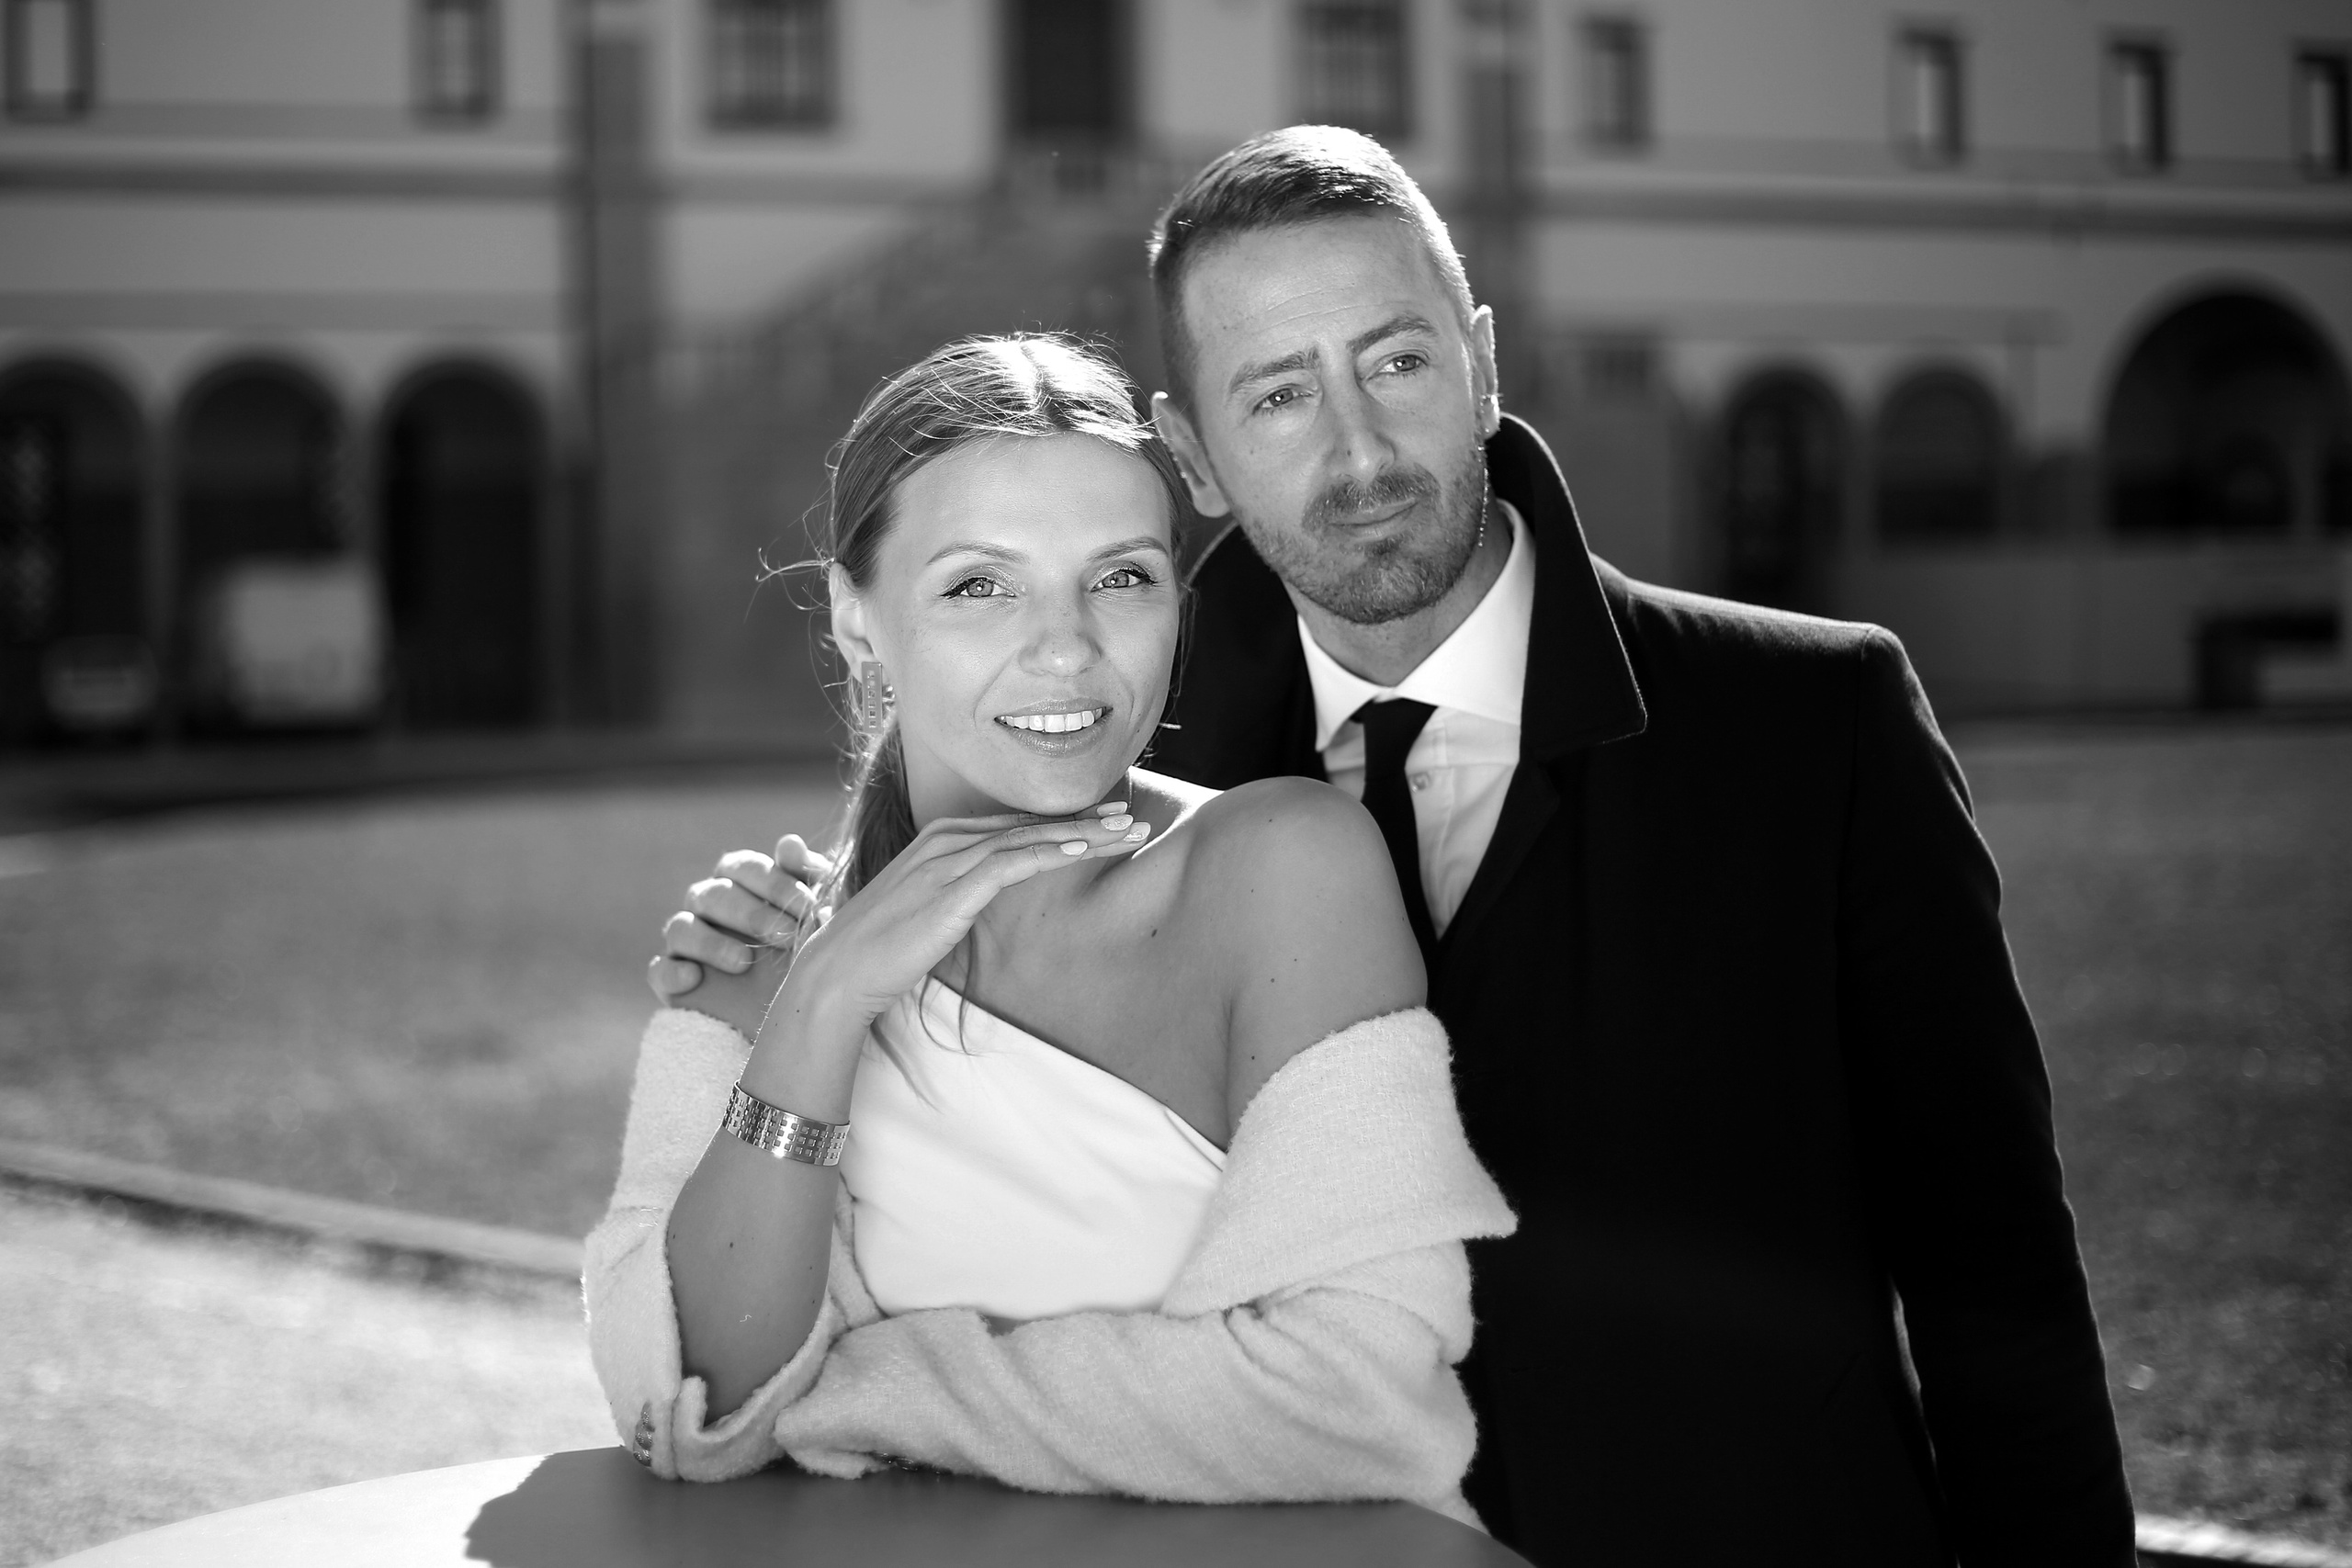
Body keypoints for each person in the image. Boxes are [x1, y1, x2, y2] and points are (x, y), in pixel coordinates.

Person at [653, 129, 2137, 1565]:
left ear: (1482, 365)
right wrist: (792, 980)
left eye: (1398, 362)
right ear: (1196, 455)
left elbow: (1994, 1263)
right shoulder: (1112, 757)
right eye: (1278, 395)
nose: (1357, 449)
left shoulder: (1813, 722)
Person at [585, 333, 1514, 1525]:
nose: (1068, 648)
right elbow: (673, 1394)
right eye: (980, 585)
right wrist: (821, 1006)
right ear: (858, 622)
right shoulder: (766, 957)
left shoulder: (1284, 871)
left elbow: (1359, 1399)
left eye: (1121, 577)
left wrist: (842, 1399)